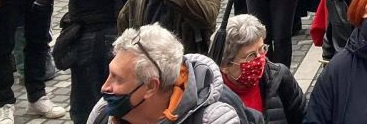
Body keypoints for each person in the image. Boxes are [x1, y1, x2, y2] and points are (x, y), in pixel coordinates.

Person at [85, 24, 250, 124]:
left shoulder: (213, 119)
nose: (105, 87)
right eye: (110, 74)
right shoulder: (102, 112)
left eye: (118, 79)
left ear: (151, 86)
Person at [217, 14, 306, 124]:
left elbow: (304, 118)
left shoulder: (280, 76)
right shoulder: (213, 97)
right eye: (251, 55)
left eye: (262, 49)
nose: (260, 59)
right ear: (225, 65)